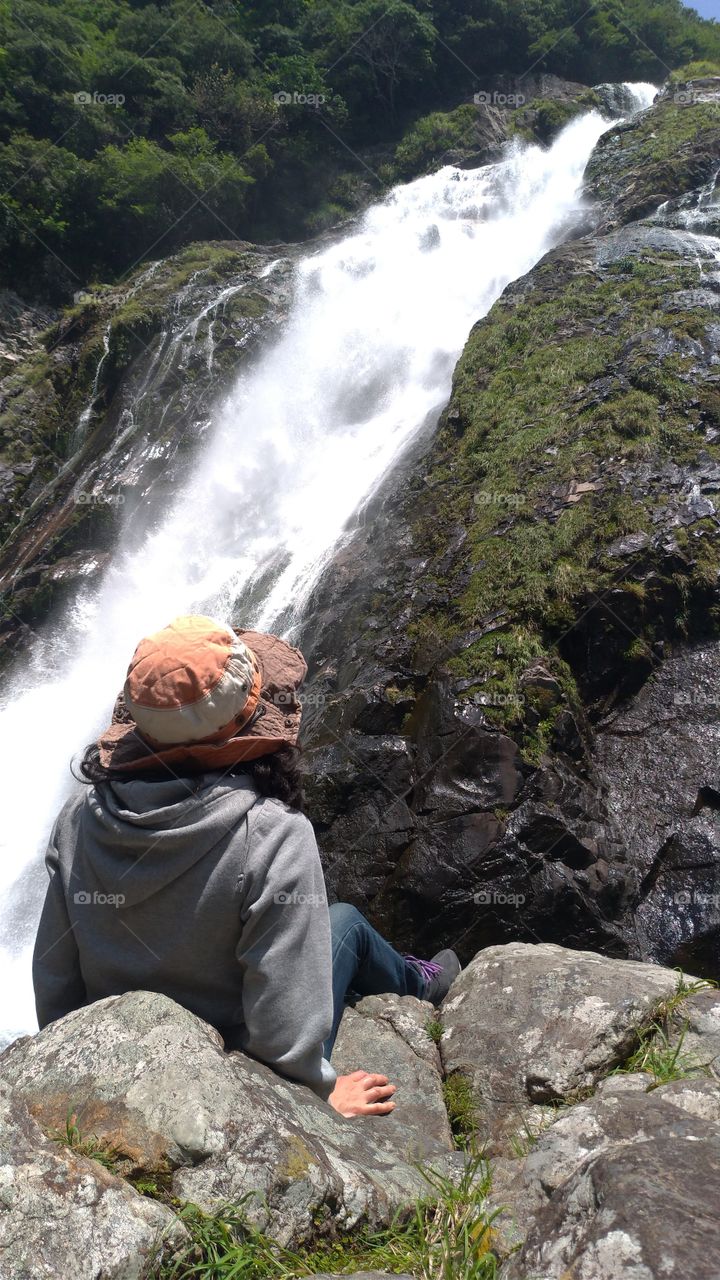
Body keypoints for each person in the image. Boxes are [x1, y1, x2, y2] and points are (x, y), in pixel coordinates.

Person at [32, 615, 460, 1118]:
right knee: (345, 923)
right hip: (233, 1068)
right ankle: (418, 983)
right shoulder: (272, 832)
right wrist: (319, 1089)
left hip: (118, 1052)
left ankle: (413, 976)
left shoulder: (80, 818)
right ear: (244, 722)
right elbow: (283, 1024)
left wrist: (62, 1067)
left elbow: (54, 973)